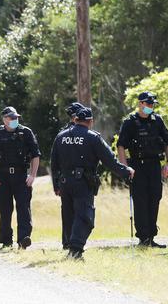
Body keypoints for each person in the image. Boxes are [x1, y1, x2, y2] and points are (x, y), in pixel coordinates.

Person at [51, 107, 135, 259]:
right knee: (84, 216)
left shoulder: (60, 136)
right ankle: (75, 250)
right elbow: (110, 161)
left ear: (75, 120)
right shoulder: (93, 138)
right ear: (90, 121)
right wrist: (126, 171)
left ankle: (70, 247)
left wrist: (56, 185)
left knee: (69, 215)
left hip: (64, 182)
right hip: (82, 182)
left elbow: (54, 163)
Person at [116, 91, 168, 248]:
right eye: (148, 104)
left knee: (155, 198)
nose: (151, 107)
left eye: (152, 104)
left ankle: (151, 237)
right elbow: (121, 145)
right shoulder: (130, 122)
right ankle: (143, 238)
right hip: (137, 166)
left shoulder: (157, 120)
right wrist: (124, 167)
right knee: (140, 201)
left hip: (154, 165)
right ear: (140, 104)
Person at [0, 107, 41, 250]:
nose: (15, 120)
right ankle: (5, 239)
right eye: (11, 118)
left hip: (21, 176)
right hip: (2, 177)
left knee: (23, 207)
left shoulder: (26, 133)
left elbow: (36, 155)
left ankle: (23, 239)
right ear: (4, 119)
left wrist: (33, 175)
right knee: (5, 209)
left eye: (16, 117)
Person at [54, 102, 85, 250]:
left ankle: (77, 241)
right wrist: (56, 184)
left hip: (83, 179)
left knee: (81, 211)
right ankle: (67, 242)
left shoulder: (86, 131)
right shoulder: (63, 133)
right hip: (66, 179)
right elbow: (56, 161)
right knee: (67, 212)